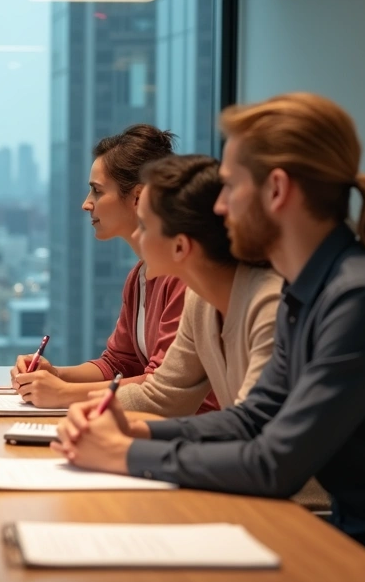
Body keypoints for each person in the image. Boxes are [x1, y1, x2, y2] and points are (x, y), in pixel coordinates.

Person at [53, 92, 365, 582]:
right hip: (356, 539)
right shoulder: (308, 290)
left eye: (229, 186)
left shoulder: (360, 299)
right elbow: (252, 418)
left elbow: (274, 464)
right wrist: (136, 433)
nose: (219, 206)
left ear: (277, 191)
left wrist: (122, 454)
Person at [13, 126, 214, 412]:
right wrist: (55, 375)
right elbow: (119, 363)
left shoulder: (184, 277)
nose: (86, 204)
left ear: (138, 197)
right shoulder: (139, 276)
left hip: (194, 425)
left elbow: (160, 386)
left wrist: (65, 393)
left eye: (96, 191)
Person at [109, 154, 281, 417]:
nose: (135, 235)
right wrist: (89, 408)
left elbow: (250, 425)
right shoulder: (199, 300)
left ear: (180, 246)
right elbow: (164, 395)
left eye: (143, 226)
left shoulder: (269, 305)